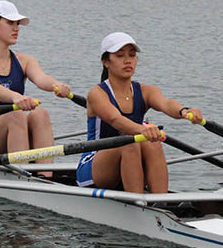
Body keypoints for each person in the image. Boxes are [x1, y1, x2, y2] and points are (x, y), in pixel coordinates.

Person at [76, 32, 203, 193]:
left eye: (132, 55)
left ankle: (160, 203)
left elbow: (166, 104)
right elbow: (115, 119)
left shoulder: (146, 91)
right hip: (94, 166)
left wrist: (184, 111)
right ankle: (139, 205)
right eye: (120, 55)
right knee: (131, 142)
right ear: (106, 61)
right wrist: (144, 129)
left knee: (151, 142)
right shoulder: (97, 94)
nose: (128, 60)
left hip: (130, 157)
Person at [0, 0, 71, 173]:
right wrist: (16, 97)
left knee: (40, 114)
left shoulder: (25, 61)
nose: (16, 28)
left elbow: (41, 78)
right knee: (16, 115)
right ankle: (22, 176)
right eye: (10, 23)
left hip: (14, 130)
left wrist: (56, 85)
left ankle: (46, 177)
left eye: (17, 23)